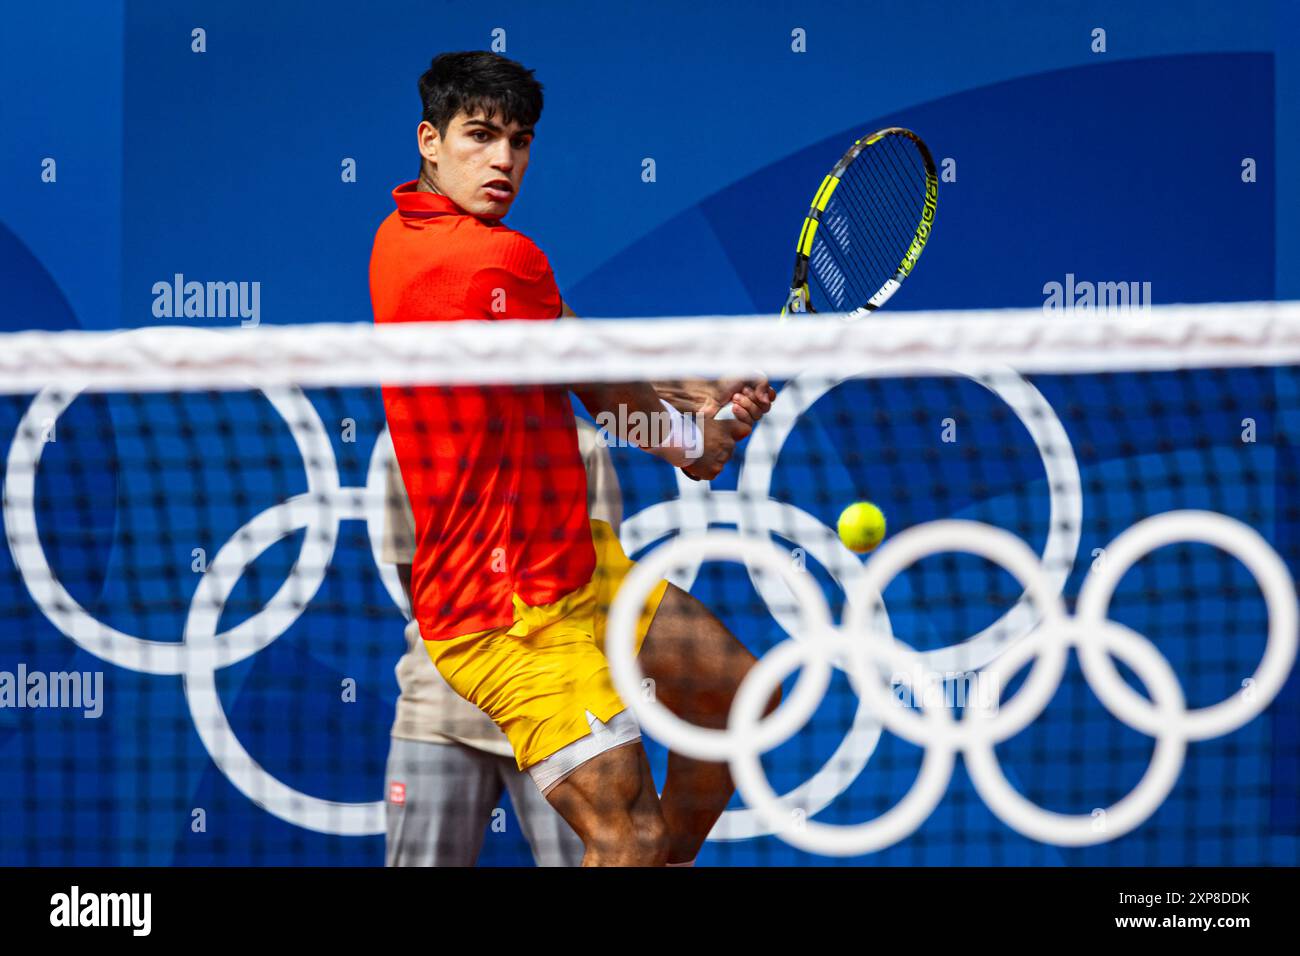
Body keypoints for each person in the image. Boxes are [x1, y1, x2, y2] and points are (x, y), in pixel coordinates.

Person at [371, 50, 777, 866]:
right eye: (479, 137)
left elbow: (569, 344)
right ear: (429, 140)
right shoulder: (495, 257)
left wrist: (696, 391)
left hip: (574, 565)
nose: (503, 161)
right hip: (501, 613)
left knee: (738, 694)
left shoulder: (407, 235)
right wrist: (693, 446)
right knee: (623, 834)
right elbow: (598, 386)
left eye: (518, 141)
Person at [382, 416, 620, 867]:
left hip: (559, 715)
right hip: (439, 714)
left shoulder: (582, 446)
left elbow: (599, 578)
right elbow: (414, 578)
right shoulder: (409, 447)